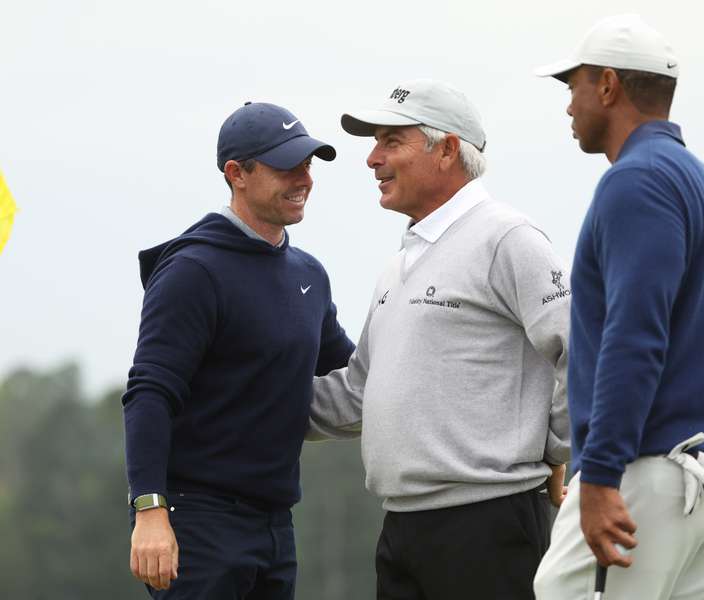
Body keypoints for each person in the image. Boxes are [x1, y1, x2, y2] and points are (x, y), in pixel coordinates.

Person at [308, 79, 571, 600]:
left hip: (489, 524)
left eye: (390, 141)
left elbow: (579, 350)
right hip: (402, 528)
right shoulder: (399, 264)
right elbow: (359, 394)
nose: (372, 159)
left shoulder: (507, 237)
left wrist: (554, 450)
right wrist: (245, 402)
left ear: (447, 149)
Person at [531, 14, 704, 600]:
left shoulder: (637, 181)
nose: (569, 106)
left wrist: (601, 474)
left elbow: (634, 337)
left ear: (607, 85)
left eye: (573, 86)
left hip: (647, 474)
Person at [122, 101, 355, 598]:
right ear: (237, 173)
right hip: (199, 524)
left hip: (276, 526)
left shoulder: (308, 275)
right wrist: (150, 511)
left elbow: (355, 374)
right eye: (285, 166)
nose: (303, 178)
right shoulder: (193, 271)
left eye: (308, 164)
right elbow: (149, 393)